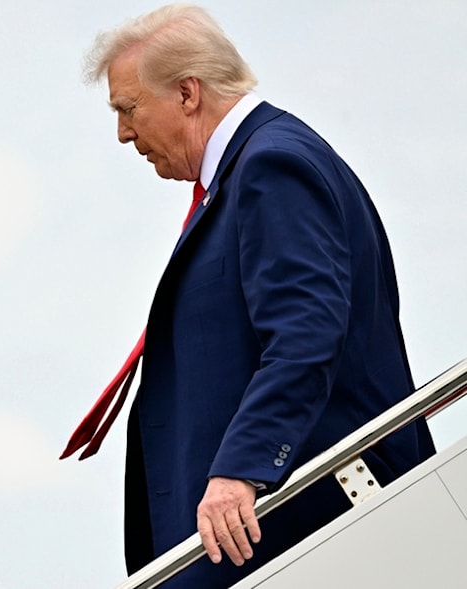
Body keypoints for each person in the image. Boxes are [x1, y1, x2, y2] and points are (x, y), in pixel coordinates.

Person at [61, 4, 436, 588]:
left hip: (296, 526)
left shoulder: (272, 166)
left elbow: (305, 331)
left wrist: (244, 469)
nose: (124, 134)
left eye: (128, 109)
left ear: (187, 93)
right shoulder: (252, 172)